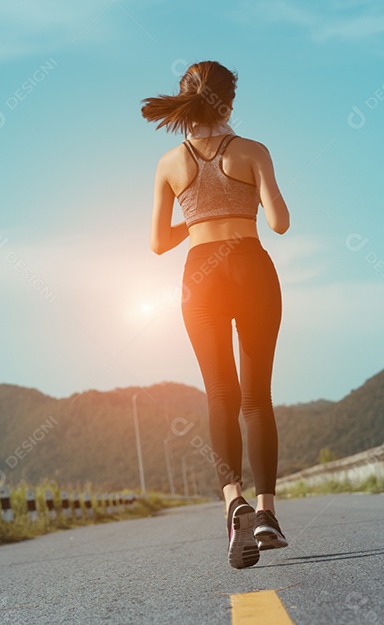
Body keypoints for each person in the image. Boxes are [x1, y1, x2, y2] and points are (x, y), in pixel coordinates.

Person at [141, 61, 290, 569]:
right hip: (251, 268)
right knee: (256, 396)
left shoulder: (168, 162)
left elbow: (160, 242)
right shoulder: (253, 151)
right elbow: (280, 222)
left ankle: (234, 503)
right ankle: (267, 512)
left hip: (201, 276)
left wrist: (195, 217)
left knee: (220, 395)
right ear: (229, 104)